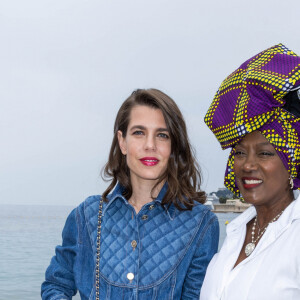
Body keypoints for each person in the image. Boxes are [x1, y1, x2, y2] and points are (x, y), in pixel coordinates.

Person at [41, 88, 219, 300]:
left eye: (162, 135)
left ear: (173, 146)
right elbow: (56, 284)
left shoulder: (201, 223)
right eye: (139, 133)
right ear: (122, 142)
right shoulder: (86, 216)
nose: (150, 145)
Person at [200, 44, 300, 300]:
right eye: (240, 153)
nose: (247, 165)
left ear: (292, 163)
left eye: (265, 153)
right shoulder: (236, 233)